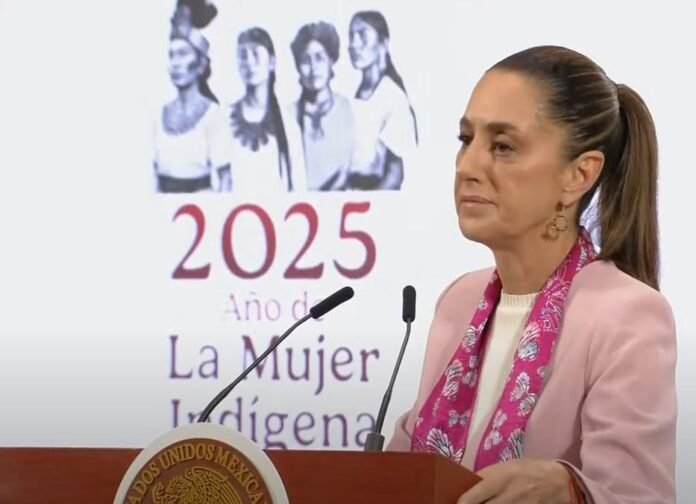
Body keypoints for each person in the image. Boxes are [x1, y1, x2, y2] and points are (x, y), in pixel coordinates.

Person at [386, 45, 677, 504]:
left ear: (579, 175)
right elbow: (402, 473)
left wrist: (571, 490)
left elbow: (639, 496)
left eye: (502, 146)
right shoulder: (458, 301)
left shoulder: (627, 315)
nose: (468, 167)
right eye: (466, 139)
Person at [153, 6, 231, 193]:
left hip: (201, 207)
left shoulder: (214, 115)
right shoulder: (158, 115)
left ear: (201, 63)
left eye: (183, 54)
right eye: (171, 55)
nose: (175, 63)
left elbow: (226, 180)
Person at [345, 11, 418, 191]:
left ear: (383, 44)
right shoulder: (352, 94)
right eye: (351, 36)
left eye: (362, 35)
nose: (354, 44)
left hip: (375, 195)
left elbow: (395, 174)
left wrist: (370, 204)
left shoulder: (392, 97)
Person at [228, 27, 306, 194]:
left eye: (255, 54)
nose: (249, 62)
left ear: (271, 62)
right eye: (243, 55)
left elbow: (299, 189)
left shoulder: (289, 126)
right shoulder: (224, 119)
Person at [290, 21, 355, 191]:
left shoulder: (348, 109)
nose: (313, 68)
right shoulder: (288, 115)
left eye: (319, 58)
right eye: (306, 60)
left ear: (330, 61)